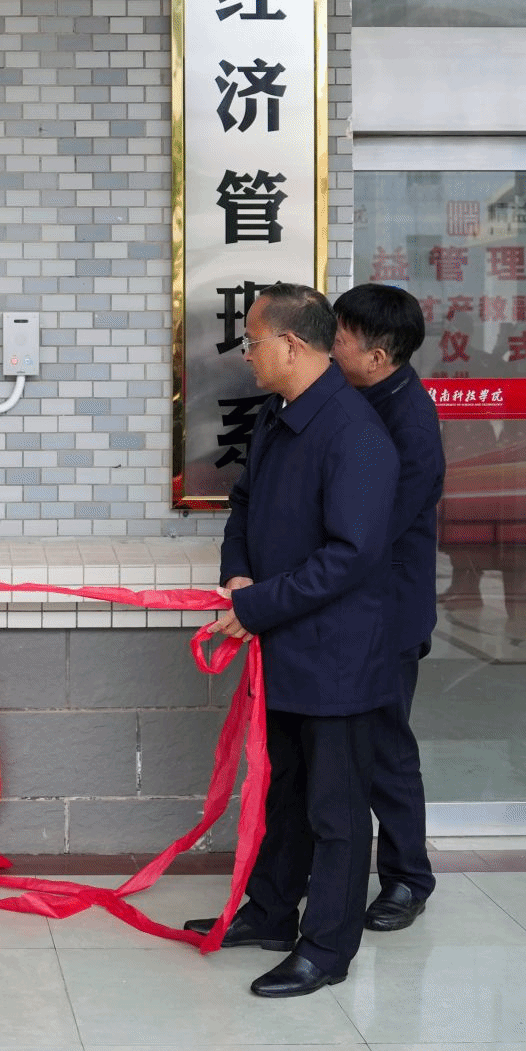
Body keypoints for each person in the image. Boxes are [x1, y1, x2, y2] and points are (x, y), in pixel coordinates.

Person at [185, 283, 399, 998]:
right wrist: (238, 574)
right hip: (282, 642)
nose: (245, 354)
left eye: (252, 342)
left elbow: (351, 555)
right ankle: (272, 912)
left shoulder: (355, 432)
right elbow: (245, 504)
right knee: (284, 792)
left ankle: (327, 949)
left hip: (338, 653)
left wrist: (256, 607)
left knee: (336, 810)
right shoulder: (280, 416)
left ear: (291, 344)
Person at [332, 283, 446, 932]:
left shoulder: (410, 424)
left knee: (385, 748)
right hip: (354, 607)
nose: (329, 345)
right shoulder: (359, 397)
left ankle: (408, 878)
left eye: (340, 337)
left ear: (377, 357)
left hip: (388, 613)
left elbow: (371, 531)